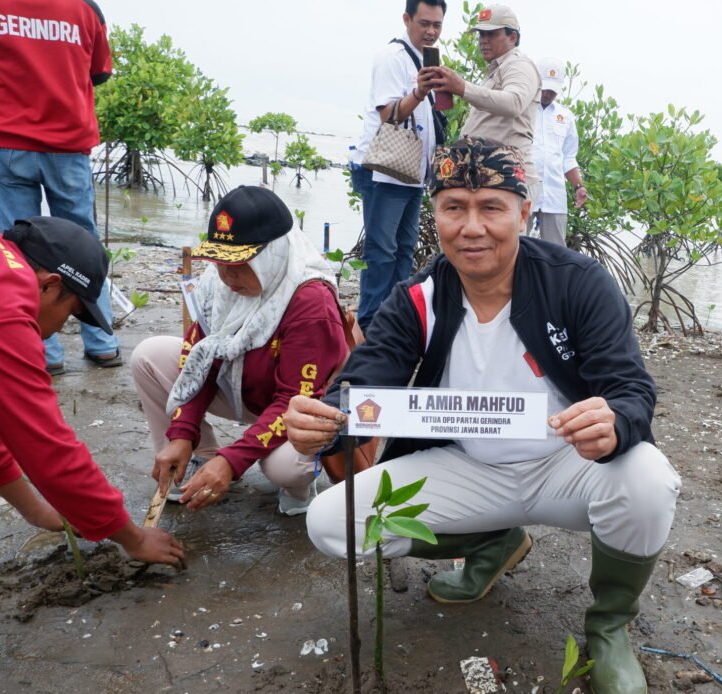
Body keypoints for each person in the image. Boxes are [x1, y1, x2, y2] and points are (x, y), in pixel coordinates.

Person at [285, 139, 680, 694]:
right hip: (470, 467)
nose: (472, 227)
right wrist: (327, 415)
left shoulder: (578, 282)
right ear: (436, 215)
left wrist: (615, 420)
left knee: (649, 481)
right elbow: (365, 381)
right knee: (331, 523)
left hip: (568, 466)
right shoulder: (418, 296)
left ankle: (610, 624)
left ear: (523, 213)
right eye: (454, 207)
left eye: (491, 207)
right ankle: (491, 542)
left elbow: (632, 388)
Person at [0, 184, 184, 567]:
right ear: (50, 285)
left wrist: (38, 512)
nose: (62, 328)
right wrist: (132, 536)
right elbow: (45, 445)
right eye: (72, 313)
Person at [131, 186, 350, 516]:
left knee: (284, 467)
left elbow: (293, 399)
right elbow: (200, 363)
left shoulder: (309, 301)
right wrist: (181, 433)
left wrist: (232, 461)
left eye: (239, 264)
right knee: (148, 356)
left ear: (271, 255)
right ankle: (198, 456)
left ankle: (301, 488)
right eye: (219, 262)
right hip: (242, 386)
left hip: (298, 408)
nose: (226, 275)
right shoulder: (217, 284)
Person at [0, 0, 121, 375]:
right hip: (67, 142)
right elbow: (99, 72)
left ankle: (41, 352)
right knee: (84, 241)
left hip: (6, 140)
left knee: (19, 248)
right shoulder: (86, 10)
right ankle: (103, 344)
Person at [354, 0, 447, 332]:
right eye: (424, 23)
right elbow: (388, 114)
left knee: (404, 249)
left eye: (437, 25)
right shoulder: (392, 58)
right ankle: (369, 323)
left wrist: (443, 90)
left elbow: (432, 116)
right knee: (382, 250)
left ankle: (391, 319)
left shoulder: (427, 59)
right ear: (406, 19)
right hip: (384, 169)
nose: (431, 31)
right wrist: (420, 93)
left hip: (411, 173)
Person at [424, 4, 541, 199]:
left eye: (492, 34)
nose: (483, 41)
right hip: (494, 174)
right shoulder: (498, 69)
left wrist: (462, 87)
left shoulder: (518, 64)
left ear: (513, 37)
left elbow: (514, 103)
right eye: (481, 35)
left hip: (509, 175)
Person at [528, 57, 587, 246]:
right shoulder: (522, 109)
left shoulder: (566, 117)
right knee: (516, 249)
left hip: (554, 195)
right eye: (545, 88)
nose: (548, 94)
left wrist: (579, 187)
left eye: (553, 90)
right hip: (524, 192)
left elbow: (568, 158)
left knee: (556, 253)